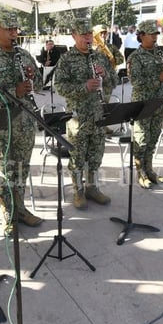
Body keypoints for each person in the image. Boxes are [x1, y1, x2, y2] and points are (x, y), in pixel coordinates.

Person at [0, 14, 43, 228]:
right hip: (2, 125)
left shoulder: (23, 55)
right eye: (8, 29)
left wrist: (33, 79)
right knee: (5, 170)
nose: (14, 33)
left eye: (16, 28)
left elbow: (40, 84)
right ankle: (8, 213)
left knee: (22, 168)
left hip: (26, 121)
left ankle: (20, 209)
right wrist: (15, 91)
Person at [54, 17, 118, 208]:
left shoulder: (100, 56)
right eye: (83, 34)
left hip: (99, 114)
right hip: (78, 116)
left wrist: (105, 75)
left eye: (89, 34)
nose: (87, 38)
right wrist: (84, 87)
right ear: (74, 35)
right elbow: (59, 86)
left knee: (96, 154)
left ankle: (92, 187)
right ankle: (78, 191)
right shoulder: (66, 59)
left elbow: (114, 81)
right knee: (78, 157)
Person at [127, 19, 163, 188]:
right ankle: (141, 173)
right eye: (151, 34)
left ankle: (150, 169)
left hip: (159, 101)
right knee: (142, 139)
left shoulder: (160, 54)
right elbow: (136, 82)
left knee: (153, 137)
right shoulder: (135, 57)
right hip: (143, 103)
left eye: (156, 34)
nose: (154, 37)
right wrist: (158, 78)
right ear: (141, 36)